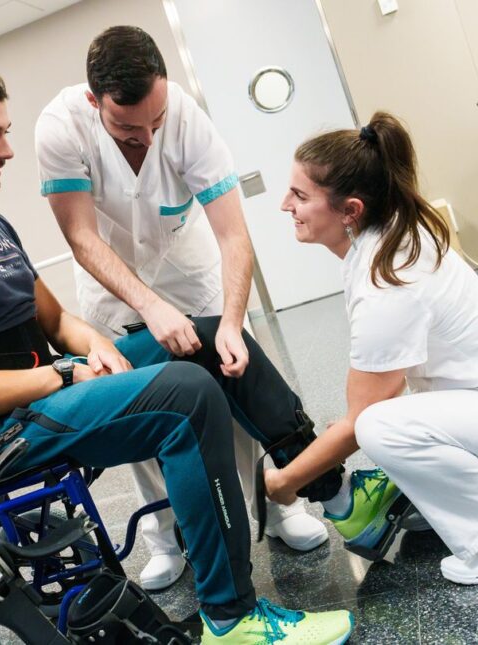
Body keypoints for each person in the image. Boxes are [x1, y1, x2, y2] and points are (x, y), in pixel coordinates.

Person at [0, 62, 353, 644]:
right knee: (187, 397)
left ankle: (333, 491)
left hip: (44, 398)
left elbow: (54, 321)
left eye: (6, 133)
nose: (8, 151)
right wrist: (64, 373)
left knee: (205, 339)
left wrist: (97, 347)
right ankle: (232, 619)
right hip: (2, 434)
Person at [34, 26, 326, 589]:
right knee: (138, 405)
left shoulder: (188, 118)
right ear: (94, 100)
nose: (147, 136)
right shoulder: (60, 126)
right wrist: (149, 306)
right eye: (128, 127)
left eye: (156, 120)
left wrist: (232, 323)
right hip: (110, 288)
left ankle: (276, 508)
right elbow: (81, 236)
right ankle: (165, 539)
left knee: (231, 385)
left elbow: (234, 235)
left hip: (191, 273)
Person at [265, 111, 478, 584]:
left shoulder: (386, 280)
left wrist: (284, 483)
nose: (285, 204)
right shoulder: (390, 231)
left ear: (351, 211)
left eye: (300, 195)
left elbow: (360, 421)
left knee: (379, 427)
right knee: (383, 421)